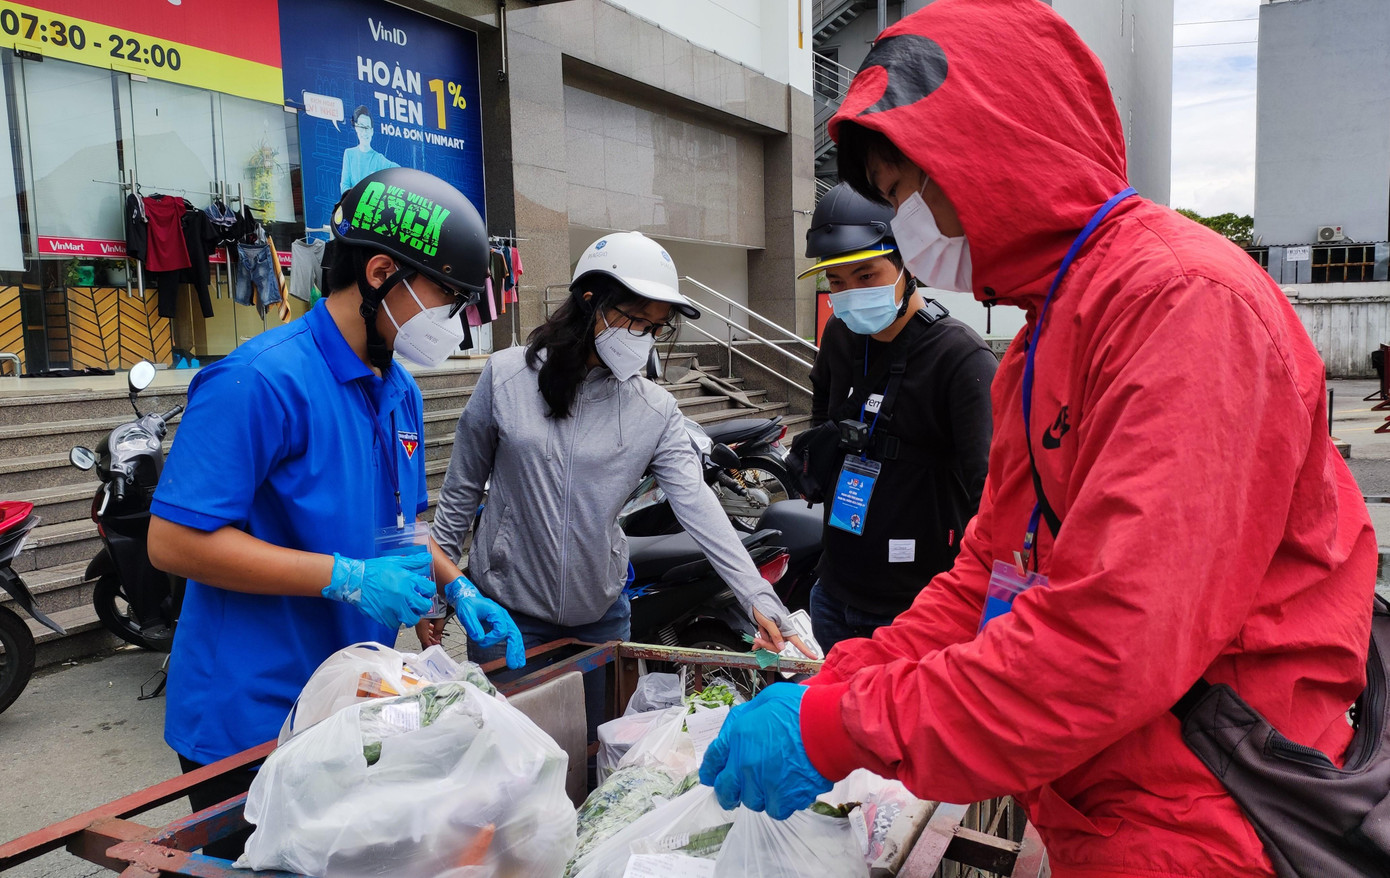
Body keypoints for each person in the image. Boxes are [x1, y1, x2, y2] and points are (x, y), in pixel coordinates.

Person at [699, 2, 1376, 876]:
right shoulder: (1044, 336)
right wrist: (840, 683)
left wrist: (846, 725)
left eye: (912, 191)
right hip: (1104, 797)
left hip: (1212, 811)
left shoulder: (1184, 305)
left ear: (996, 149)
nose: (916, 226)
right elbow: (989, 574)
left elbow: (1111, 638)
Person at [147, 167, 522, 859]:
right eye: (448, 299)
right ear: (381, 271)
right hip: (249, 714)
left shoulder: (398, 388)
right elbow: (172, 543)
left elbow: (401, 525)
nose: (457, 324)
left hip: (348, 706)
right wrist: (345, 577)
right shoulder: (258, 381)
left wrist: (457, 583)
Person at [419, 231, 810, 661]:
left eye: (655, 327)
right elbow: (460, 492)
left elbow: (696, 503)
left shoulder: (654, 409)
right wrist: (438, 594)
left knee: (600, 730)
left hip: (601, 617)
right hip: (504, 612)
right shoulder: (505, 376)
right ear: (591, 301)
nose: (644, 337)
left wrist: (756, 594)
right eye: (637, 320)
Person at [800, 182, 995, 649]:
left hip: (916, 609)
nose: (848, 294)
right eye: (837, 281)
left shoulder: (961, 358)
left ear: (906, 262)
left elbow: (990, 498)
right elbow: (822, 424)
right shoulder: (841, 338)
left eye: (866, 276)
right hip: (834, 589)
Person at [340, 105, 399, 193]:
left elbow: (399, 172)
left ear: (372, 131)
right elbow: (344, 185)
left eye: (367, 128)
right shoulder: (349, 154)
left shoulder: (379, 159)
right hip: (352, 204)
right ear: (356, 128)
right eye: (361, 127)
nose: (364, 132)